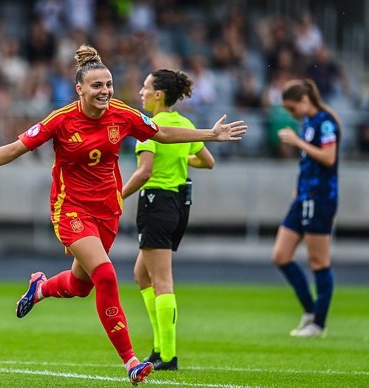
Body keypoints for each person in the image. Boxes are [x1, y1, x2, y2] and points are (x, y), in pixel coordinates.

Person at [0, 44, 245, 385]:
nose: (105, 91)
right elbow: (16, 147)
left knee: (79, 285)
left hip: (108, 211)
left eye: (109, 85)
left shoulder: (122, 114)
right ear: (80, 89)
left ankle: (40, 288)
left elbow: (160, 133)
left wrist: (209, 134)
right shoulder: (60, 120)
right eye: (97, 86)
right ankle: (131, 361)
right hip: (70, 209)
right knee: (106, 274)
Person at [121, 69, 215, 371]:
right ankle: (160, 348)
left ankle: (169, 355)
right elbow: (207, 162)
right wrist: (178, 158)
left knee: (161, 280)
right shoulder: (184, 124)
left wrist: (117, 195)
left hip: (155, 202)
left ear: (158, 94)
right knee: (142, 275)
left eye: (145, 87)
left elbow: (144, 171)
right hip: (178, 203)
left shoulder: (150, 125)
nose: (141, 92)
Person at [273, 78, 340, 338]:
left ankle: (318, 324)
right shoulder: (307, 123)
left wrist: (298, 143)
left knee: (319, 261)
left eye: (292, 108)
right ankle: (311, 310)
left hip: (321, 198)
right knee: (281, 255)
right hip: (302, 197)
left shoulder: (325, 121)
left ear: (304, 100)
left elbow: (328, 157)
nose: (291, 114)